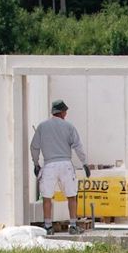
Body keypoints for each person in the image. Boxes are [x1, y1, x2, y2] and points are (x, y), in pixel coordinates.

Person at [30, 99, 90, 234]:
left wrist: (36, 163)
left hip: (49, 165)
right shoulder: (69, 127)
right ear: (62, 112)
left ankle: (48, 226)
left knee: (47, 197)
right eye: (65, 111)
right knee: (71, 196)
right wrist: (84, 163)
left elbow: (34, 147)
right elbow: (78, 146)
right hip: (65, 165)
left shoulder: (42, 127)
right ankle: (73, 226)